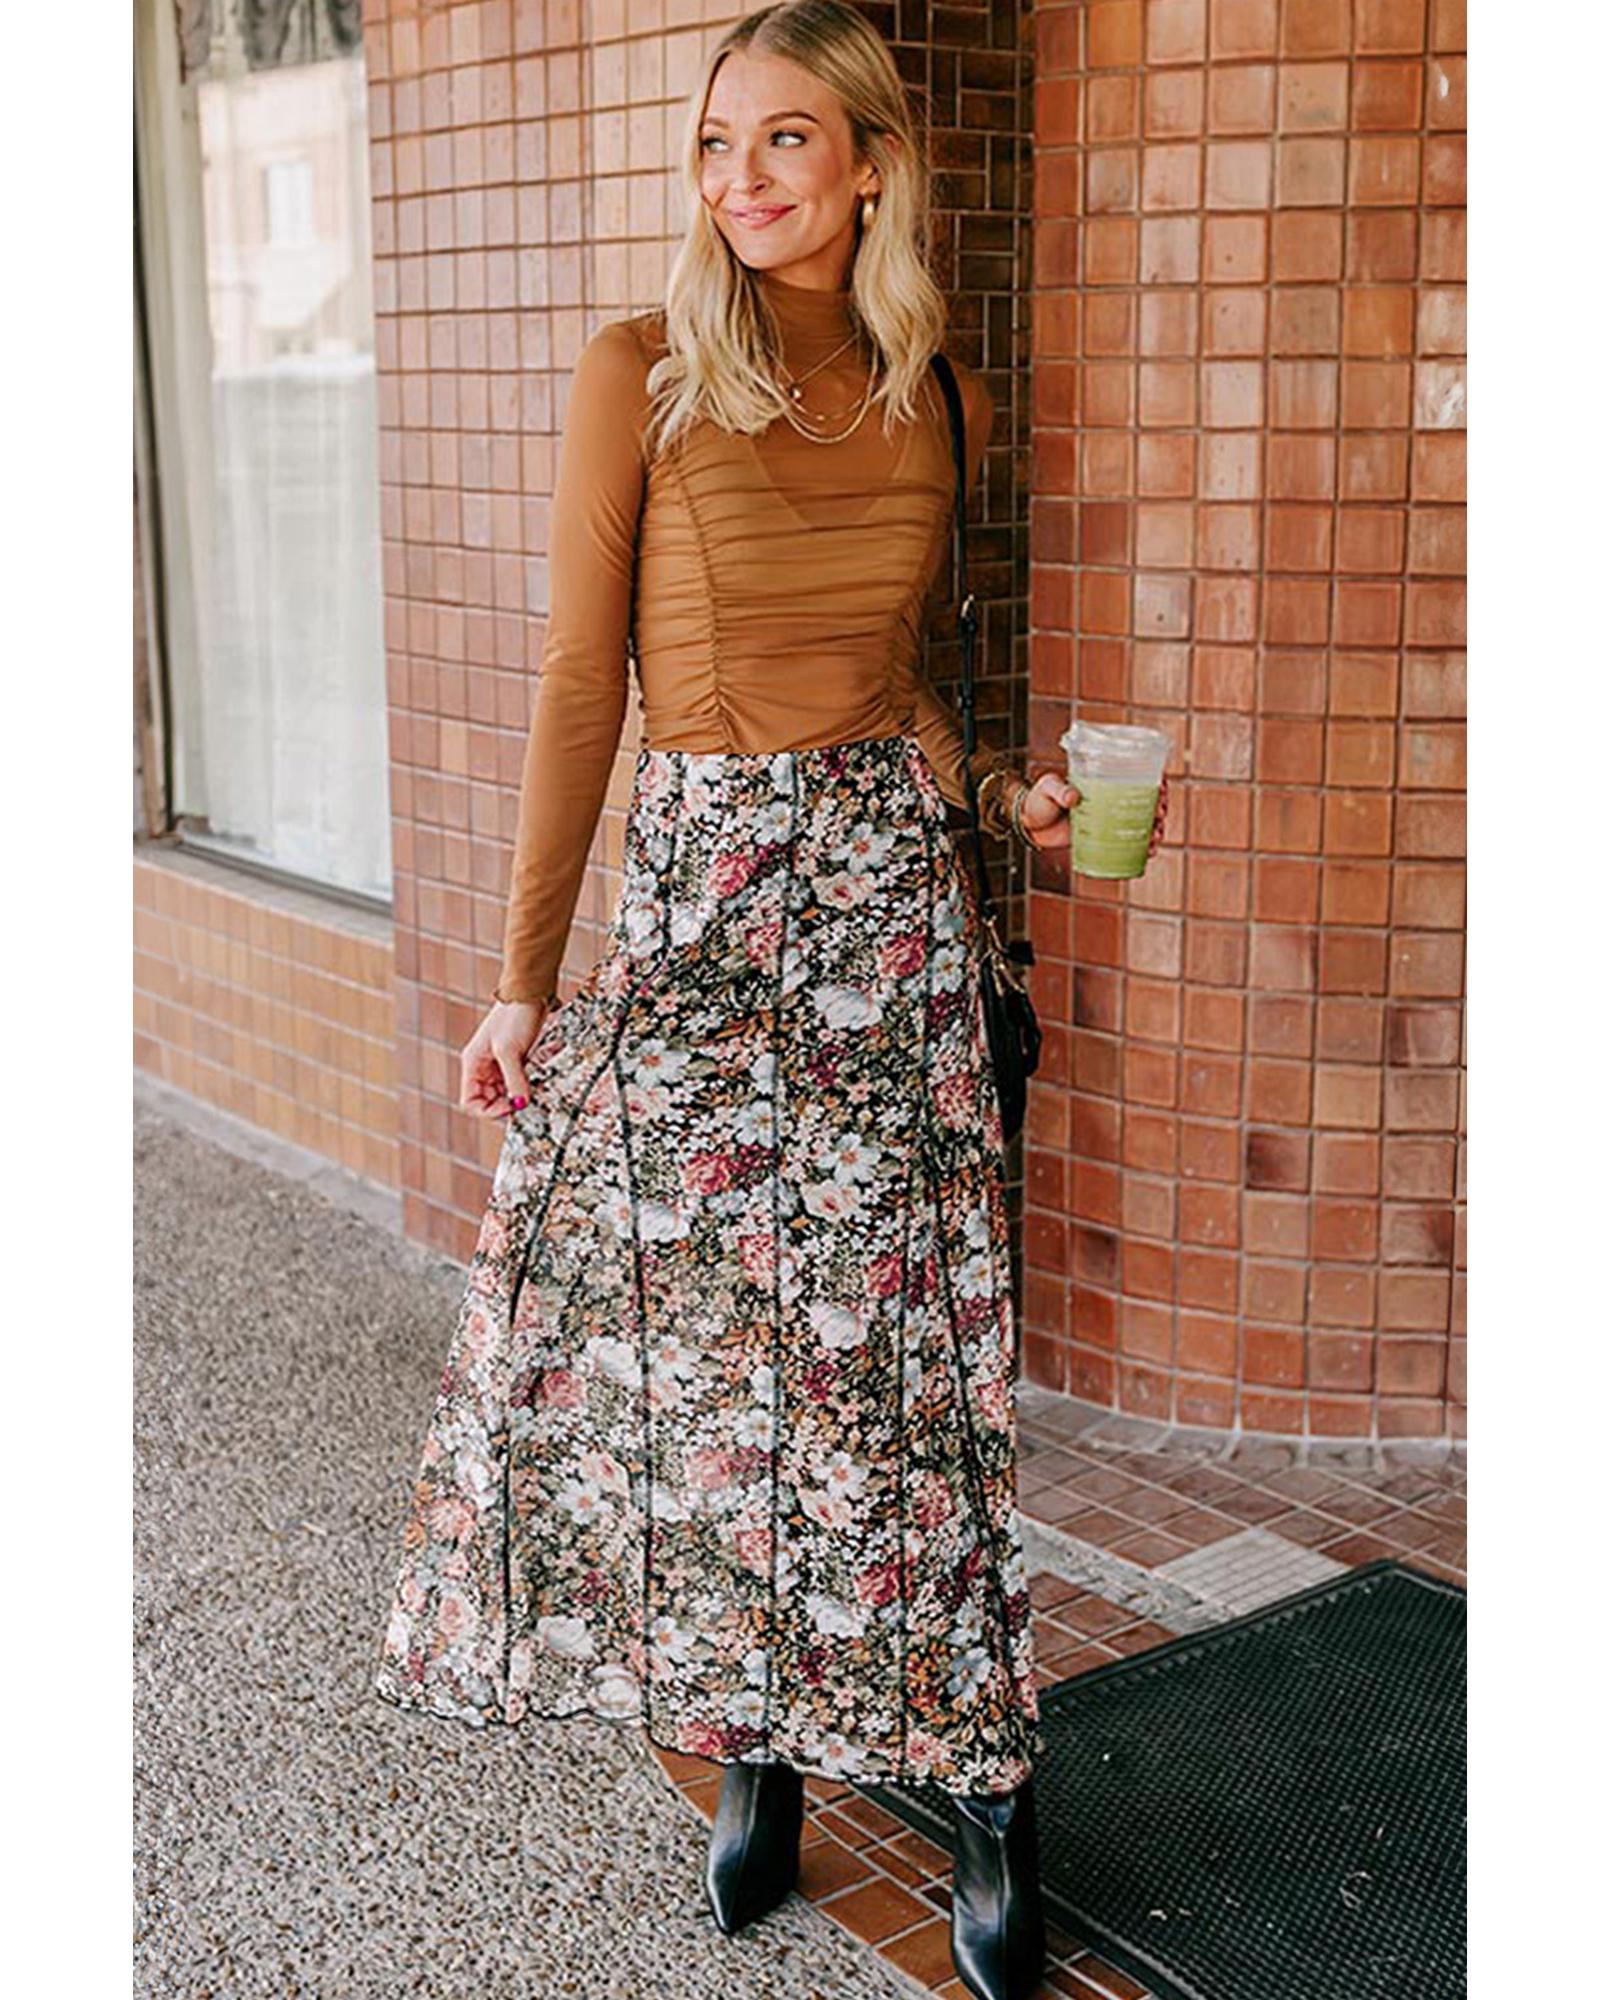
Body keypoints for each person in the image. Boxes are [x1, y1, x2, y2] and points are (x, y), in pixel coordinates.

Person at [374, 6, 1161, 1996]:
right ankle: (764, 1753)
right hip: (704, 912)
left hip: (891, 920)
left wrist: (1001, 794)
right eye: (717, 141)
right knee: (723, 1376)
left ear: (871, 163)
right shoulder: (637, 372)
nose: (742, 178)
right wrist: (521, 981)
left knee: (912, 1370)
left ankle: (987, 1790)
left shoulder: (935, 388)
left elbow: (898, 681)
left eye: (786, 140)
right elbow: (583, 685)